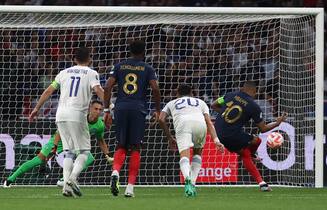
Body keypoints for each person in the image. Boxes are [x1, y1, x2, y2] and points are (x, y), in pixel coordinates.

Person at [29, 47, 104, 197]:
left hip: (61, 115)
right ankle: (72, 179)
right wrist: (109, 107)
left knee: (69, 152)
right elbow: (98, 91)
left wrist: (36, 108)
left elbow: (49, 91)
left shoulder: (63, 73)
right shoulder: (91, 73)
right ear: (89, 59)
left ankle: (66, 188)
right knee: (84, 152)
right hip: (77, 115)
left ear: (74, 59)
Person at [3, 100, 113, 188]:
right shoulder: (78, 117)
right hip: (60, 139)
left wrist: (107, 155)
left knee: (89, 158)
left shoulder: (99, 125)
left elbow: (100, 140)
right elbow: (60, 131)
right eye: (95, 109)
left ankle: (63, 180)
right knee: (39, 160)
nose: (98, 112)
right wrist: (54, 147)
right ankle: (10, 179)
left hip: (75, 143)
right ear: (89, 108)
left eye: (100, 110)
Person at [104, 40, 161, 197]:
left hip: (121, 108)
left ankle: (115, 171)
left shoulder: (119, 66)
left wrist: (106, 109)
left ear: (129, 51)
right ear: (144, 52)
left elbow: (108, 86)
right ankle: (130, 188)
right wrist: (157, 109)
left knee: (121, 145)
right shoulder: (147, 68)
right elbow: (155, 88)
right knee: (135, 147)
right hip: (138, 109)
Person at [211, 81, 287, 192]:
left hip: (217, 132)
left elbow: (213, 105)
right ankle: (252, 157)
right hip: (231, 134)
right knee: (257, 141)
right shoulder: (253, 106)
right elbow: (263, 128)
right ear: (254, 91)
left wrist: (223, 113)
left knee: (245, 151)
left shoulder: (230, 95)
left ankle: (262, 183)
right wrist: (277, 123)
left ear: (243, 88)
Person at [159, 84, 224, 197]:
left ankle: (187, 179)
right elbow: (209, 122)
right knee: (197, 154)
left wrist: (169, 137)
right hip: (200, 124)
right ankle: (193, 184)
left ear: (177, 94)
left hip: (183, 124)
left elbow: (161, 119)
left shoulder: (171, 103)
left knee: (184, 156)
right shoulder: (201, 102)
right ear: (192, 93)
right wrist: (216, 140)